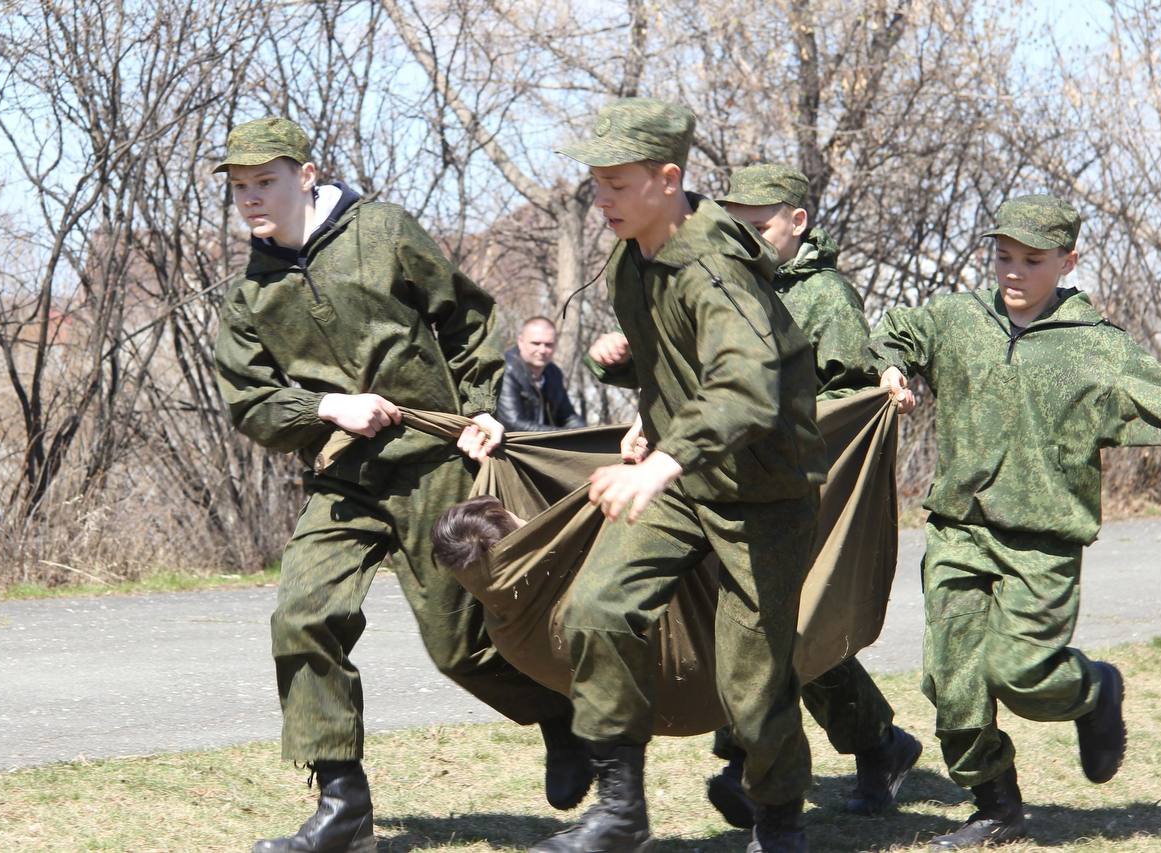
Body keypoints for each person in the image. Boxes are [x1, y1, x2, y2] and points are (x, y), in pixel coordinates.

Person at [212, 117, 591, 853]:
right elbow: (249, 400)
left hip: (434, 465)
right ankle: (342, 804)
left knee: (461, 648)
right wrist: (326, 406)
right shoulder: (251, 292)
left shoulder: (381, 230)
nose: (252, 197)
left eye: (266, 181)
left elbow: (468, 319)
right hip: (345, 474)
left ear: (306, 174)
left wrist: (481, 407)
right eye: (239, 187)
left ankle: (561, 716)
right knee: (302, 614)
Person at [589, 163, 920, 826]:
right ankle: (860, 746)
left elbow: (845, 393)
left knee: (791, 632)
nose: (743, 234)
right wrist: (629, 365)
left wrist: (881, 381)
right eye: (734, 219)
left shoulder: (823, 295)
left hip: (796, 481)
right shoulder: (706, 270)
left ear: (797, 223)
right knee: (764, 633)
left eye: (758, 224)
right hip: (709, 475)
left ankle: (814, 758)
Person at [541, 97, 828, 853]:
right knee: (598, 607)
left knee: (753, 687)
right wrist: (644, 394)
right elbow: (683, 360)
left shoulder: (714, 264)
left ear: (668, 179)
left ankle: (779, 821)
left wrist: (662, 459)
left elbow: (744, 382)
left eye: (617, 182)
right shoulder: (628, 254)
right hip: (683, 477)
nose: (600, 197)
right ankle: (619, 811)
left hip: (763, 495)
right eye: (594, 182)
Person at [871, 193, 1161, 848]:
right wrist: (891, 367)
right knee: (952, 681)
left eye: (1032, 260)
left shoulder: (1095, 350)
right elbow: (898, 330)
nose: (1013, 271)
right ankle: (996, 804)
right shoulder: (960, 319)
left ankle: (1095, 688)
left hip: (1042, 543)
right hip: (959, 529)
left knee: (1022, 672)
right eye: (1003, 256)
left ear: (1067, 261)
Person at [496, 316, 586, 431]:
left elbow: (568, 417)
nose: (542, 350)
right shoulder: (504, 369)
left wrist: (584, 432)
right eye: (536, 343)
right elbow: (513, 423)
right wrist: (562, 434)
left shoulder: (554, 373)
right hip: (508, 446)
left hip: (542, 442)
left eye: (549, 344)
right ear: (520, 342)